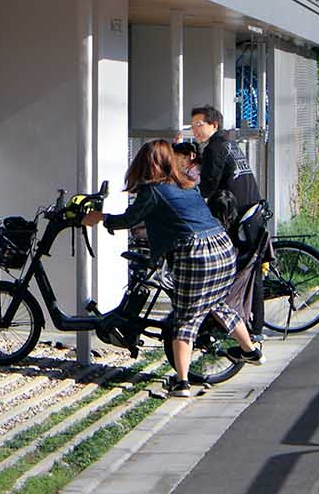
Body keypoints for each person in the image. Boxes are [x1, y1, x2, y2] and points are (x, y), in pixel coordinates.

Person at [88, 140, 259, 396]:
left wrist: (100, 218)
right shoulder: (187, 184)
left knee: (185, 320)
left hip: (197, 254)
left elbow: (129, 219)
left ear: (144, 163)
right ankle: (251, 350)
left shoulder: (153, 190)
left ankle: (181, 383)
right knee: (217, 304)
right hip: (223, 249)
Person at [188, 101, 268, 331]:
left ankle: (248, 326)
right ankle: (253, 326)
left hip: (239, 219)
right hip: (252, 213)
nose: (194, 129)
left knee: (241, 271)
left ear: (214, 124)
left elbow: (208, 187)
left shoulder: (216, 148)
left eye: (198, 124)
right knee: (251, 271)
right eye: (192, 125)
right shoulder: (228, 143)